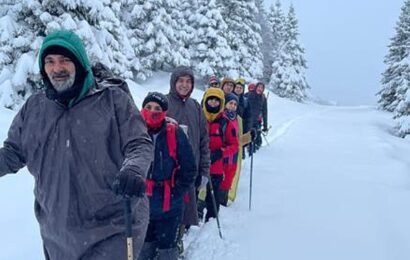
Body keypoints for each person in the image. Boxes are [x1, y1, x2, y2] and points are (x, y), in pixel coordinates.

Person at [0, 30, 153, 260]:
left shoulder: (113, 101)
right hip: (57, 236)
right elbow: (13, 152)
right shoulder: (34, 108)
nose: (57, 68)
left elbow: (139, 142)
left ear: (80, 63)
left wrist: (133, 168)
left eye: (65, 60)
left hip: (113, 229)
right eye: (50, 61)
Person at [138, 92, 197, 260]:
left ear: (164, 112)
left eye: (157, 108)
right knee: (144, 246)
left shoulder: (174, 132)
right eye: (148, 107)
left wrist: (176, 191)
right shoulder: (134, 130)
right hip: (142, 202)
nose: (152, 111)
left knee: (167, 248)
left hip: (169, 204)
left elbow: (189, 168)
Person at [165, 66, 210, 254]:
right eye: (180, 81)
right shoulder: (163, 103)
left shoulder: (196, 107)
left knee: (183, 213)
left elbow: (203, 142)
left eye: (188, 81)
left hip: (188, 173)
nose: (184, 85)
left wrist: (204, 171)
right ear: (174, 82)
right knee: (164, 213)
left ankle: (177, 244)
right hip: (165, 174)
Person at [201, 88, 239, 221]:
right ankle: (189, 223)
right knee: (192, 196)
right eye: (210, 99)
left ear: (221, 103)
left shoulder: (225, 122)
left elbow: (234, 145)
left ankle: (210, 222)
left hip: (216, 167)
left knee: (213, 198)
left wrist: (221, 152)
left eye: (217, 101)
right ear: (205, 100)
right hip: (198, 165)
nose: (213, 103)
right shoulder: (199, 118)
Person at [219, 93, 240, 206]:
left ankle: (223, 202)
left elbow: (238, 139)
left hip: (233, 157)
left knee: (228, 180)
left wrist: (250, 135)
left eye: (235, 104)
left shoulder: (236, 119)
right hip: (223, 156)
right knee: (219, 182)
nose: (232, 106)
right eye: (230, 103)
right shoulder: (222, 118)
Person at [247, 82, 268, 152]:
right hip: (248, 121)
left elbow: (265, 112)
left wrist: (265, 126)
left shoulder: (263, 98)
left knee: (256, 138)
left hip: (257, 122)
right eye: (259, 87)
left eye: (262, 88)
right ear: (256, 87)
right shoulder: (249, 95)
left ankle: (256, 152)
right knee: (248, 138)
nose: (260, 89)